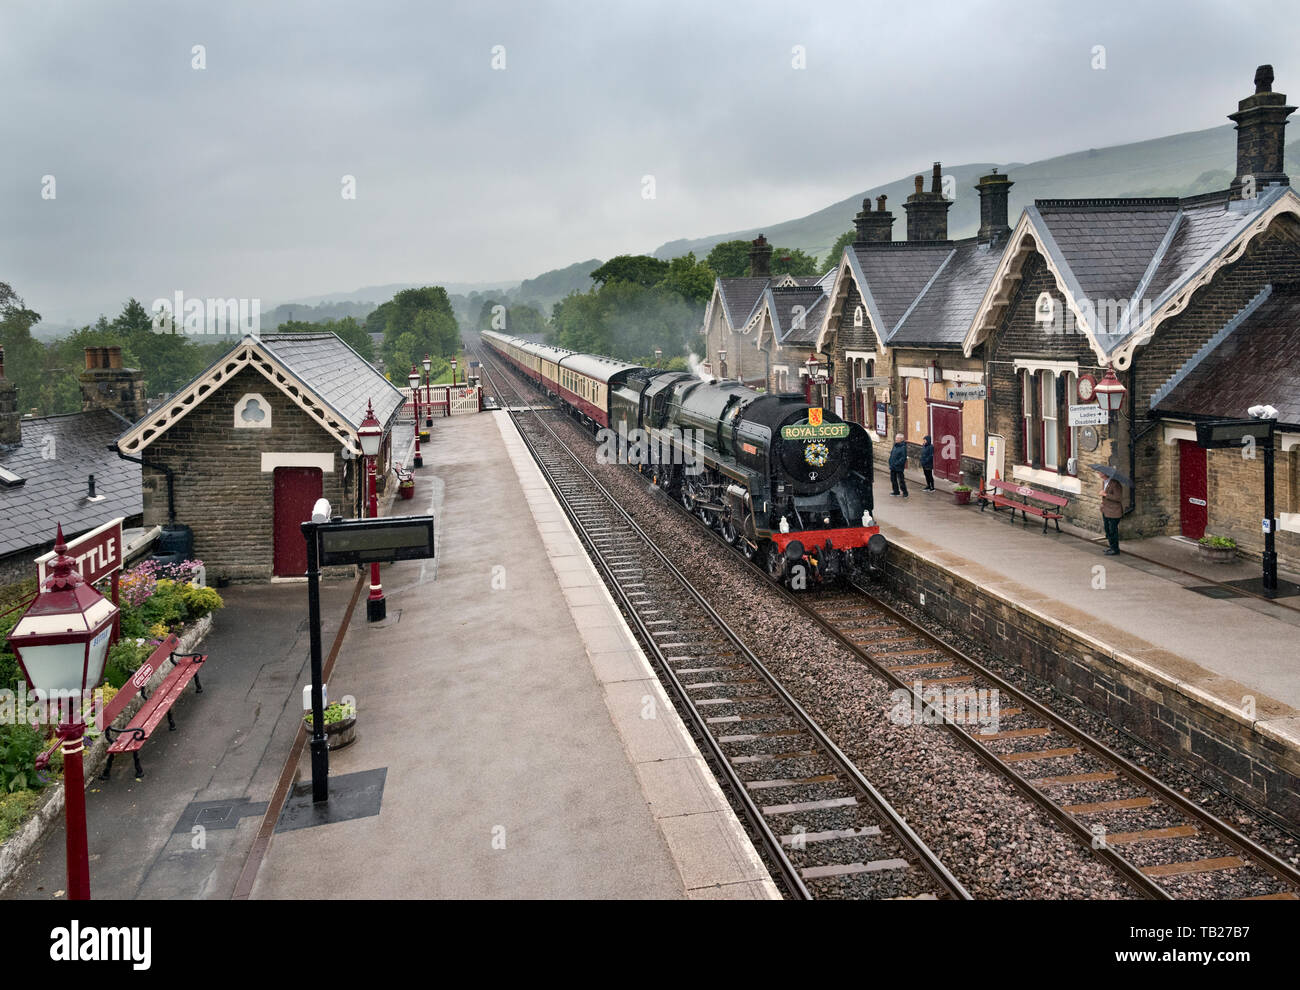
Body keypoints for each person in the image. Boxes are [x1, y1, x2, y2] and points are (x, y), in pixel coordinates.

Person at [1099, 469, 1124, 555]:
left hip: (1114, 511)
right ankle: (1111, 547)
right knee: (1107, 529)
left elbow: (1118, 498)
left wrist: (1105, 495)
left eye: (1100, 472)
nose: (1099, 473)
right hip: (1105, 510)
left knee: (1113, 530)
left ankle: (1115, 549)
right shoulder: (1104, 482)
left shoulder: (1115, 484)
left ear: (1105, 473)